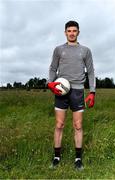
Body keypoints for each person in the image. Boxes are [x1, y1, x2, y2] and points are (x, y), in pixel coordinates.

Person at [47, 20, 96, 170]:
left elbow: (91, 71)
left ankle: (78, 159)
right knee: (59, 124)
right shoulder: (58, 50)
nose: (72, 33)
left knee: (78, 125)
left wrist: (92, 91)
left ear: (78, 32)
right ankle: (56, 157)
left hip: (77, 91)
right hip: (61, 90)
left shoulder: (85, 50)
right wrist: (50, 82)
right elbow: (52, 68)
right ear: (65, 33)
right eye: (69, 31)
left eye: (74, 31)